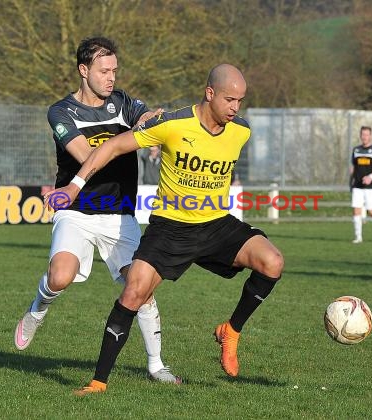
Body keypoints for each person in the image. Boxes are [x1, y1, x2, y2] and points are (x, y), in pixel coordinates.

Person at [45, 63, 284, 394]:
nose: (235, 108)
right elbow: (113, 146)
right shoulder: (172, 124)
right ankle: (99, 382)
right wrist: (74, 186)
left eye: (240, 101)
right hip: (170, 228)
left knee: (272, 262)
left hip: (215, 224)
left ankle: (231, 331)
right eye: (230, 99)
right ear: (209, 93)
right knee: (133, 292)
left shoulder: (240, 130)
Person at [13, 36, 180, 384]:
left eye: (115, 70)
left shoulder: (122, 103)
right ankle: (36, 310)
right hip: (76, 210)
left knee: (142, 288)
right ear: (83, 70)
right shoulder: (60, 112)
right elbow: (87, 157)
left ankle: (156, 366)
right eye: (104, 71)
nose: (111, 78)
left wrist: (153, 121)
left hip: (119, 215)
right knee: (59, 276)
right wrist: (131, 137)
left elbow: (146, 117)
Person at [350, 126, 372, 244]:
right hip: (358, 186)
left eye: (366, 134)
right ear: (360, 136)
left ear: (370, 136)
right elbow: (353, 167)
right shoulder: (356, 150)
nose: (364, 137)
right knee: (356, 211)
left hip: (371, 187)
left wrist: (371, 177)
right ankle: (358, 237)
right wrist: (352, 180)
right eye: (362, 134)